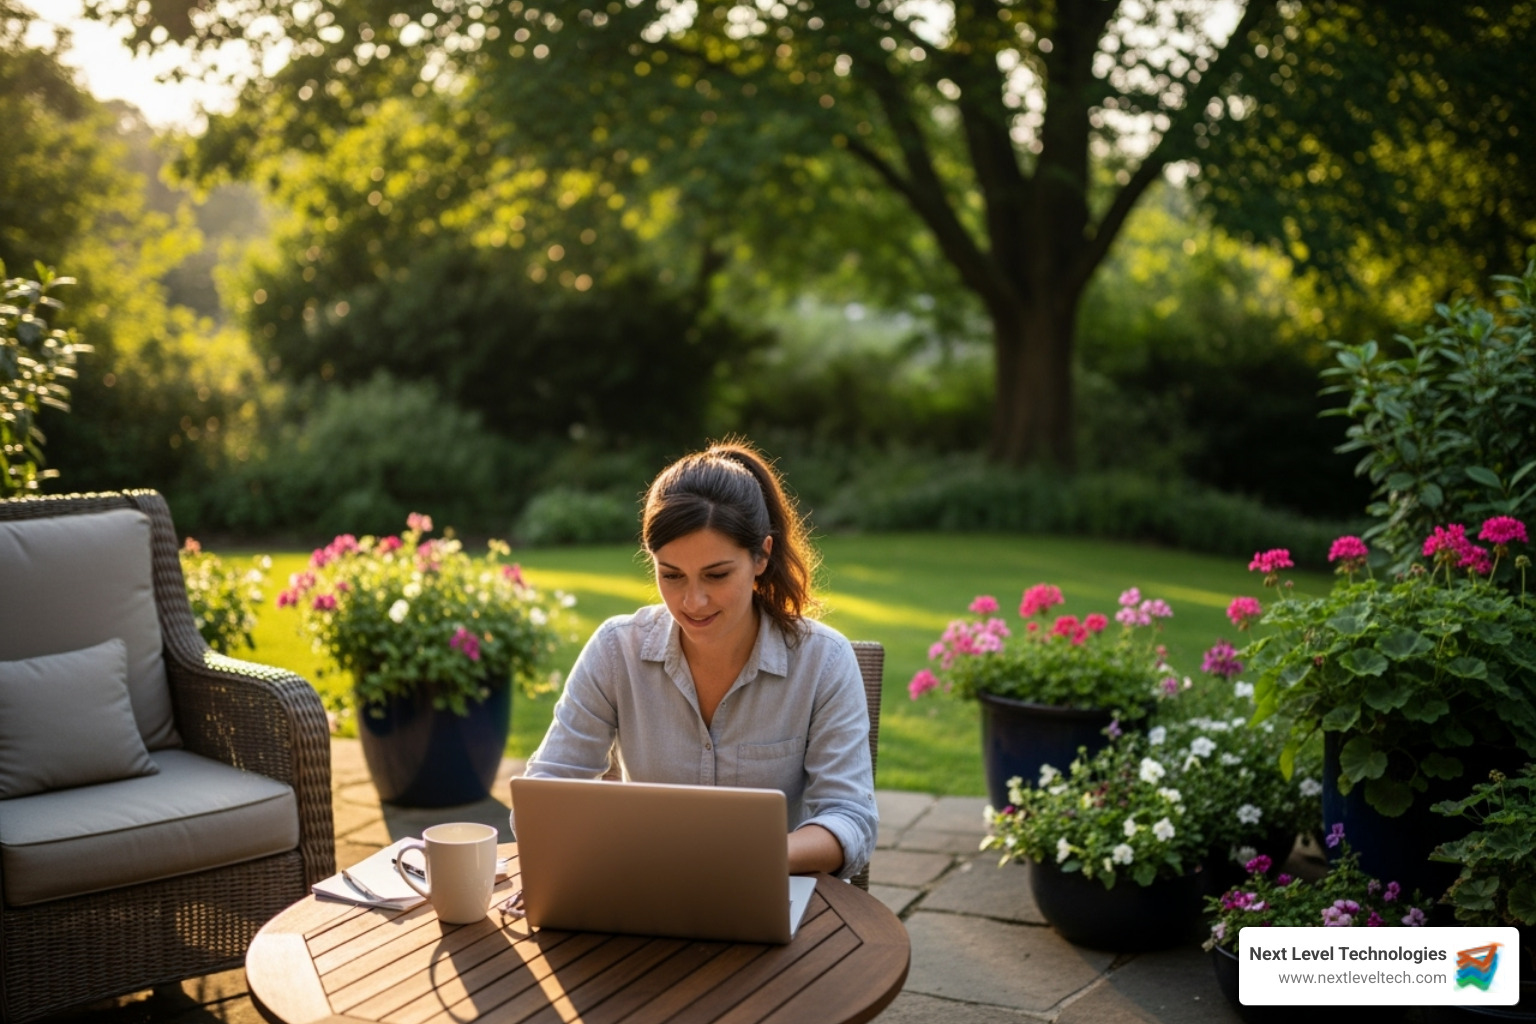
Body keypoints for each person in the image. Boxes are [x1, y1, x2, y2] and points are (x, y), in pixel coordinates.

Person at [518, 440, 878, 879]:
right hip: (645, 885)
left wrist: (744, 860)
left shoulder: (823, 661)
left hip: (767, 887)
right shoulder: (616, 650)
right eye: (671, 575)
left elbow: (851, 820)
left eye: (717, 574)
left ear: (762, 556)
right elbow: (542, 795)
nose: (693, 602)